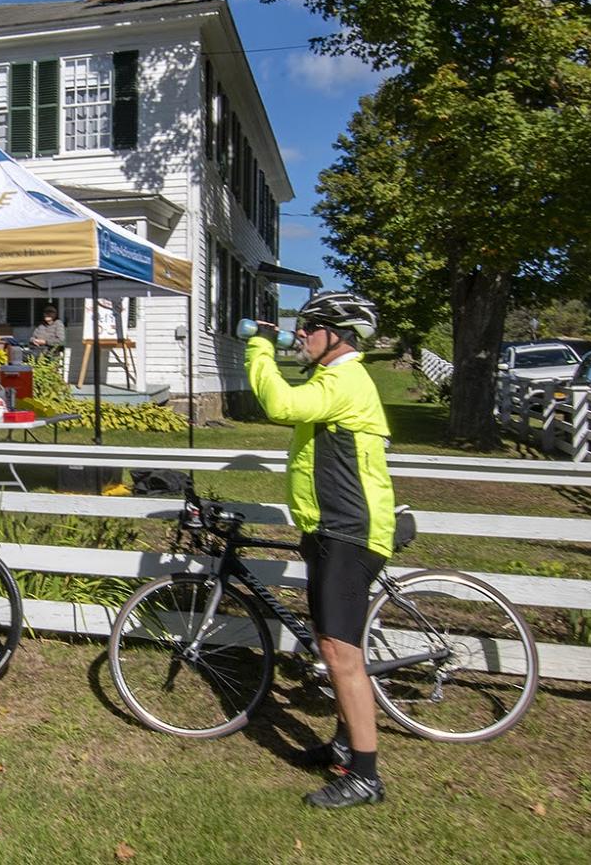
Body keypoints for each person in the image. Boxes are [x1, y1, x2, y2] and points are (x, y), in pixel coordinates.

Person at [242, 290, 394, 810]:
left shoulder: (345, 380)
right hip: (331, 529)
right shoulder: (334, 379)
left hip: (348, 532)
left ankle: (365, 777)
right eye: (300, 327)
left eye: (310, 327)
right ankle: (345, 745)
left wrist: (259, 347)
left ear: (338, 335)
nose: (300, 334)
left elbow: (281, 404)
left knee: (339, 652)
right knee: (337, 645)